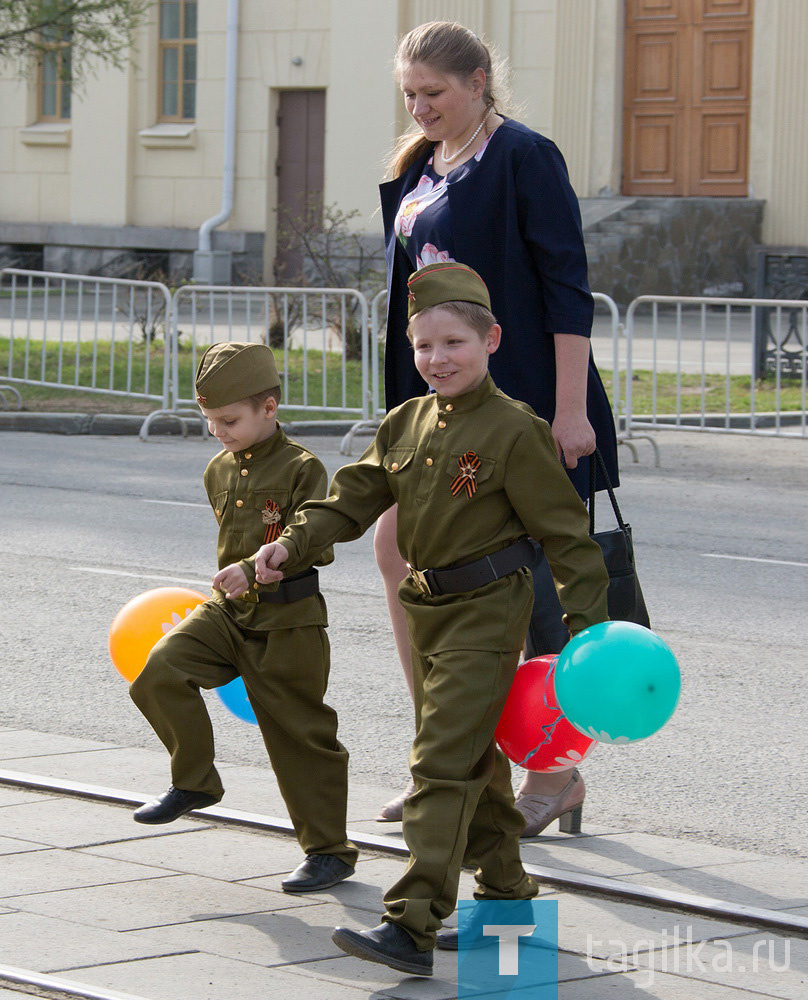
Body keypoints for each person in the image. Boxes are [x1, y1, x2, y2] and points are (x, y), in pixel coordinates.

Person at [231, 262, 610, 977]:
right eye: (424, 346)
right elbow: (350, 499)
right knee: (474, 765)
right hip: (429, 610)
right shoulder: (406, 421)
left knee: (438, 762)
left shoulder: (514, 430)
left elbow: (568, 538)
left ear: (492, 339)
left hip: (489, 614)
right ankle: (506, 904)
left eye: (453, 343)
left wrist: (588, 641)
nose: (437, 359)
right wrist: (288, 545)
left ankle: (411, 925)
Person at [374, 19, 620, 832]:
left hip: (525, 410)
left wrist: (571, 409)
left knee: (534, 594)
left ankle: (555, 768)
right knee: (401, 552)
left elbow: (565, 288)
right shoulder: (416, 165)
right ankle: (446, 762)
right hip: (438, 409)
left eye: (434, 92)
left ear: (478, 81)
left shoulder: (523, 157)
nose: (420, 106)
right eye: (410, 93)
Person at [129, 342, 357, 894]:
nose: (219, 432)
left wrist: (262, 568)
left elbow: (316, 544)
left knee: (298, 734)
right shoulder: (217, 471)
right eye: (210, 422)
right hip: (228, 614)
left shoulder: (304, 468)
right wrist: (238, 580)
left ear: (269, 408)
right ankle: (196, 782)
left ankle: (329, 851)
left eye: (229, 420)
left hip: (289, 620)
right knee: (160, 671)